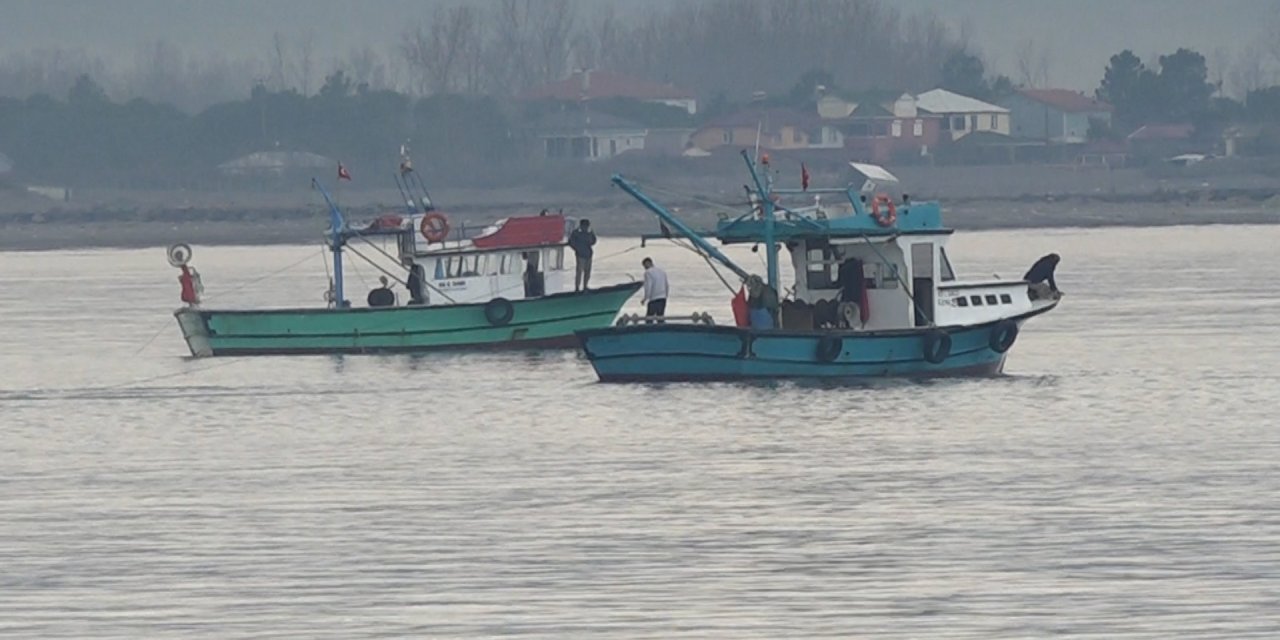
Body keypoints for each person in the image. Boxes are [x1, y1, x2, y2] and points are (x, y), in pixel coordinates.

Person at [568, 219, 597, 291]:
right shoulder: (576, 233)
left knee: (587, 272)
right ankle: (577, 288)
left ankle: (585, 286)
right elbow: (571, 242)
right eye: (585, 226)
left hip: (588, 255)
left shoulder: (589, 232)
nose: (586, 227)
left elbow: (594, 241)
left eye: (587, 226)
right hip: (580, 255)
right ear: (581, 225)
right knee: (579, 272)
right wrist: (577, 249)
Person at [641, 257, 669, 322]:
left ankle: (648, 332)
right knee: (660, 318)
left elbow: (648, 286)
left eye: (644, 265)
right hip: (662, 298)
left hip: (654, 298)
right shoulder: (662, 271)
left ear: (648, 263)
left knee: (649, 319)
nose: (644, 267)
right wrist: (666, 295)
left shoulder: (648, 272)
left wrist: (645, 298)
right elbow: (666, 285)